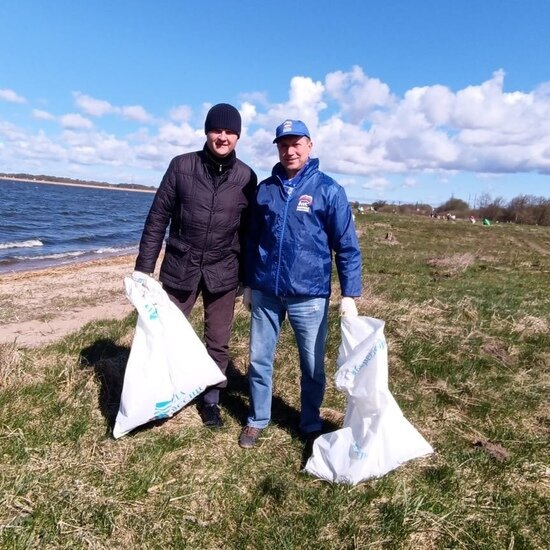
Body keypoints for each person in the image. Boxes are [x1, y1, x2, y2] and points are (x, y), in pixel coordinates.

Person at [239, 119, 362, 449]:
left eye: (296, 144)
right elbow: (252, 240)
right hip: (265, 290)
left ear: (310, 146)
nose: (289, 150)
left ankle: (309, 421)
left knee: (311, 364)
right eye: (283, 144)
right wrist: (248, 283)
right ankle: (257, 419)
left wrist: (350, 293)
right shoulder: (265, 189)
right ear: (277, 148)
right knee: (258, 359)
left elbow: (346, 244)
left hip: (309, 295)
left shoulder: (329, 190)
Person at [134, 103, 257, 428]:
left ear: (238, 136)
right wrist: (144, 269)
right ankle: (159, 397)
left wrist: (247, 280)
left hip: (223, 273)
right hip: (180, 267)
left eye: (230, 131)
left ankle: (211, 400)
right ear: (207, 131)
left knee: (217, 341)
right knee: (163, 337)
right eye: (218, 130)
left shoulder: (247, 177)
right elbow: (157, 218)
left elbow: (248, 233)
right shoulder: (181, 166)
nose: (223, 136)